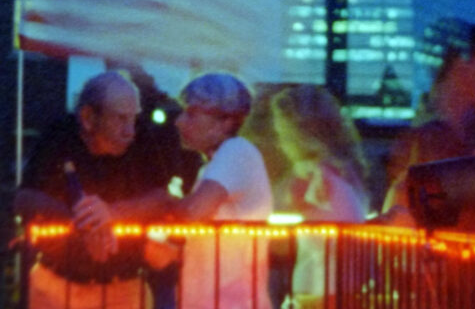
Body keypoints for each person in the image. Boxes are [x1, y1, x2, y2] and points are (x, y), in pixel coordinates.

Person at [15, 70, 172, 309]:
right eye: (120, 119)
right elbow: (24, 199)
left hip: (125, 290)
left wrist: (112, 212)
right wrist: (79, 217)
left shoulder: (140, 137)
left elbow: (161, 198)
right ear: (88, 117)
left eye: (133, 118)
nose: (130, 130)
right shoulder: (60, 135)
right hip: (56, 289)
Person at [170, 72, 273, 309]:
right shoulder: (216, 163)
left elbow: (195, 210)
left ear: (225, 122)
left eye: (192, 113)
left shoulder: (236, 151)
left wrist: (160, 202)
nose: (179, 121)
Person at [270, 85, 367, 308]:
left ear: (299, 135)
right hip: (345, 285)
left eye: (283, 135)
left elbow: (278, 240)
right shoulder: (346, 173)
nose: (280, 144)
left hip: (320, 289)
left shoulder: (312, 176)